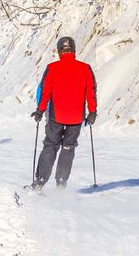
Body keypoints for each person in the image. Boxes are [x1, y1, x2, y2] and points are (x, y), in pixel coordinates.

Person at [31, 35, 97, 189]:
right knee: (68, 148)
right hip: (76, 118)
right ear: (74, 50)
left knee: (50, 146)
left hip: (56, 116)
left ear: (59, 51)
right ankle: (61, 183)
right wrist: (92, 112)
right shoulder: (85, 68)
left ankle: (40, 182)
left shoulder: (52, 68)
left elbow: (46, 92)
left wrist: (40, 111)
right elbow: (91, 92)